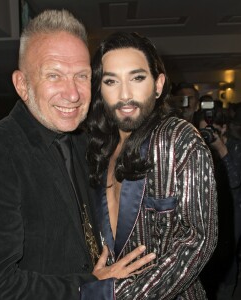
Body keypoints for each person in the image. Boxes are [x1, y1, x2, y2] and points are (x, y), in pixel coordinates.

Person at [0, 11, 154, 300]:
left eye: (81, 76)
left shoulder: (85, 141)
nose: (72, 94)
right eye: (54, 75)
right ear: (22, 84)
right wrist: (89, 283)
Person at [81, 32, 218, 299]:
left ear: (158, 84)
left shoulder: (179, 140)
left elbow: (199, 240)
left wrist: (120, 295)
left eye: (137, 78)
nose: (125, 94)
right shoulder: (99, 148)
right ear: (100, 88)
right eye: (111, 81)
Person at [195, 99, 241, 299]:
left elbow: (235, 182)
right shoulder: (195, 149)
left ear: (223, 128)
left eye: (212, 130)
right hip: (204, 219)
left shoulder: (235, 147)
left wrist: (222, 149)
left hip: (232, 218)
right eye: (204, 131)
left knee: (227, 270)